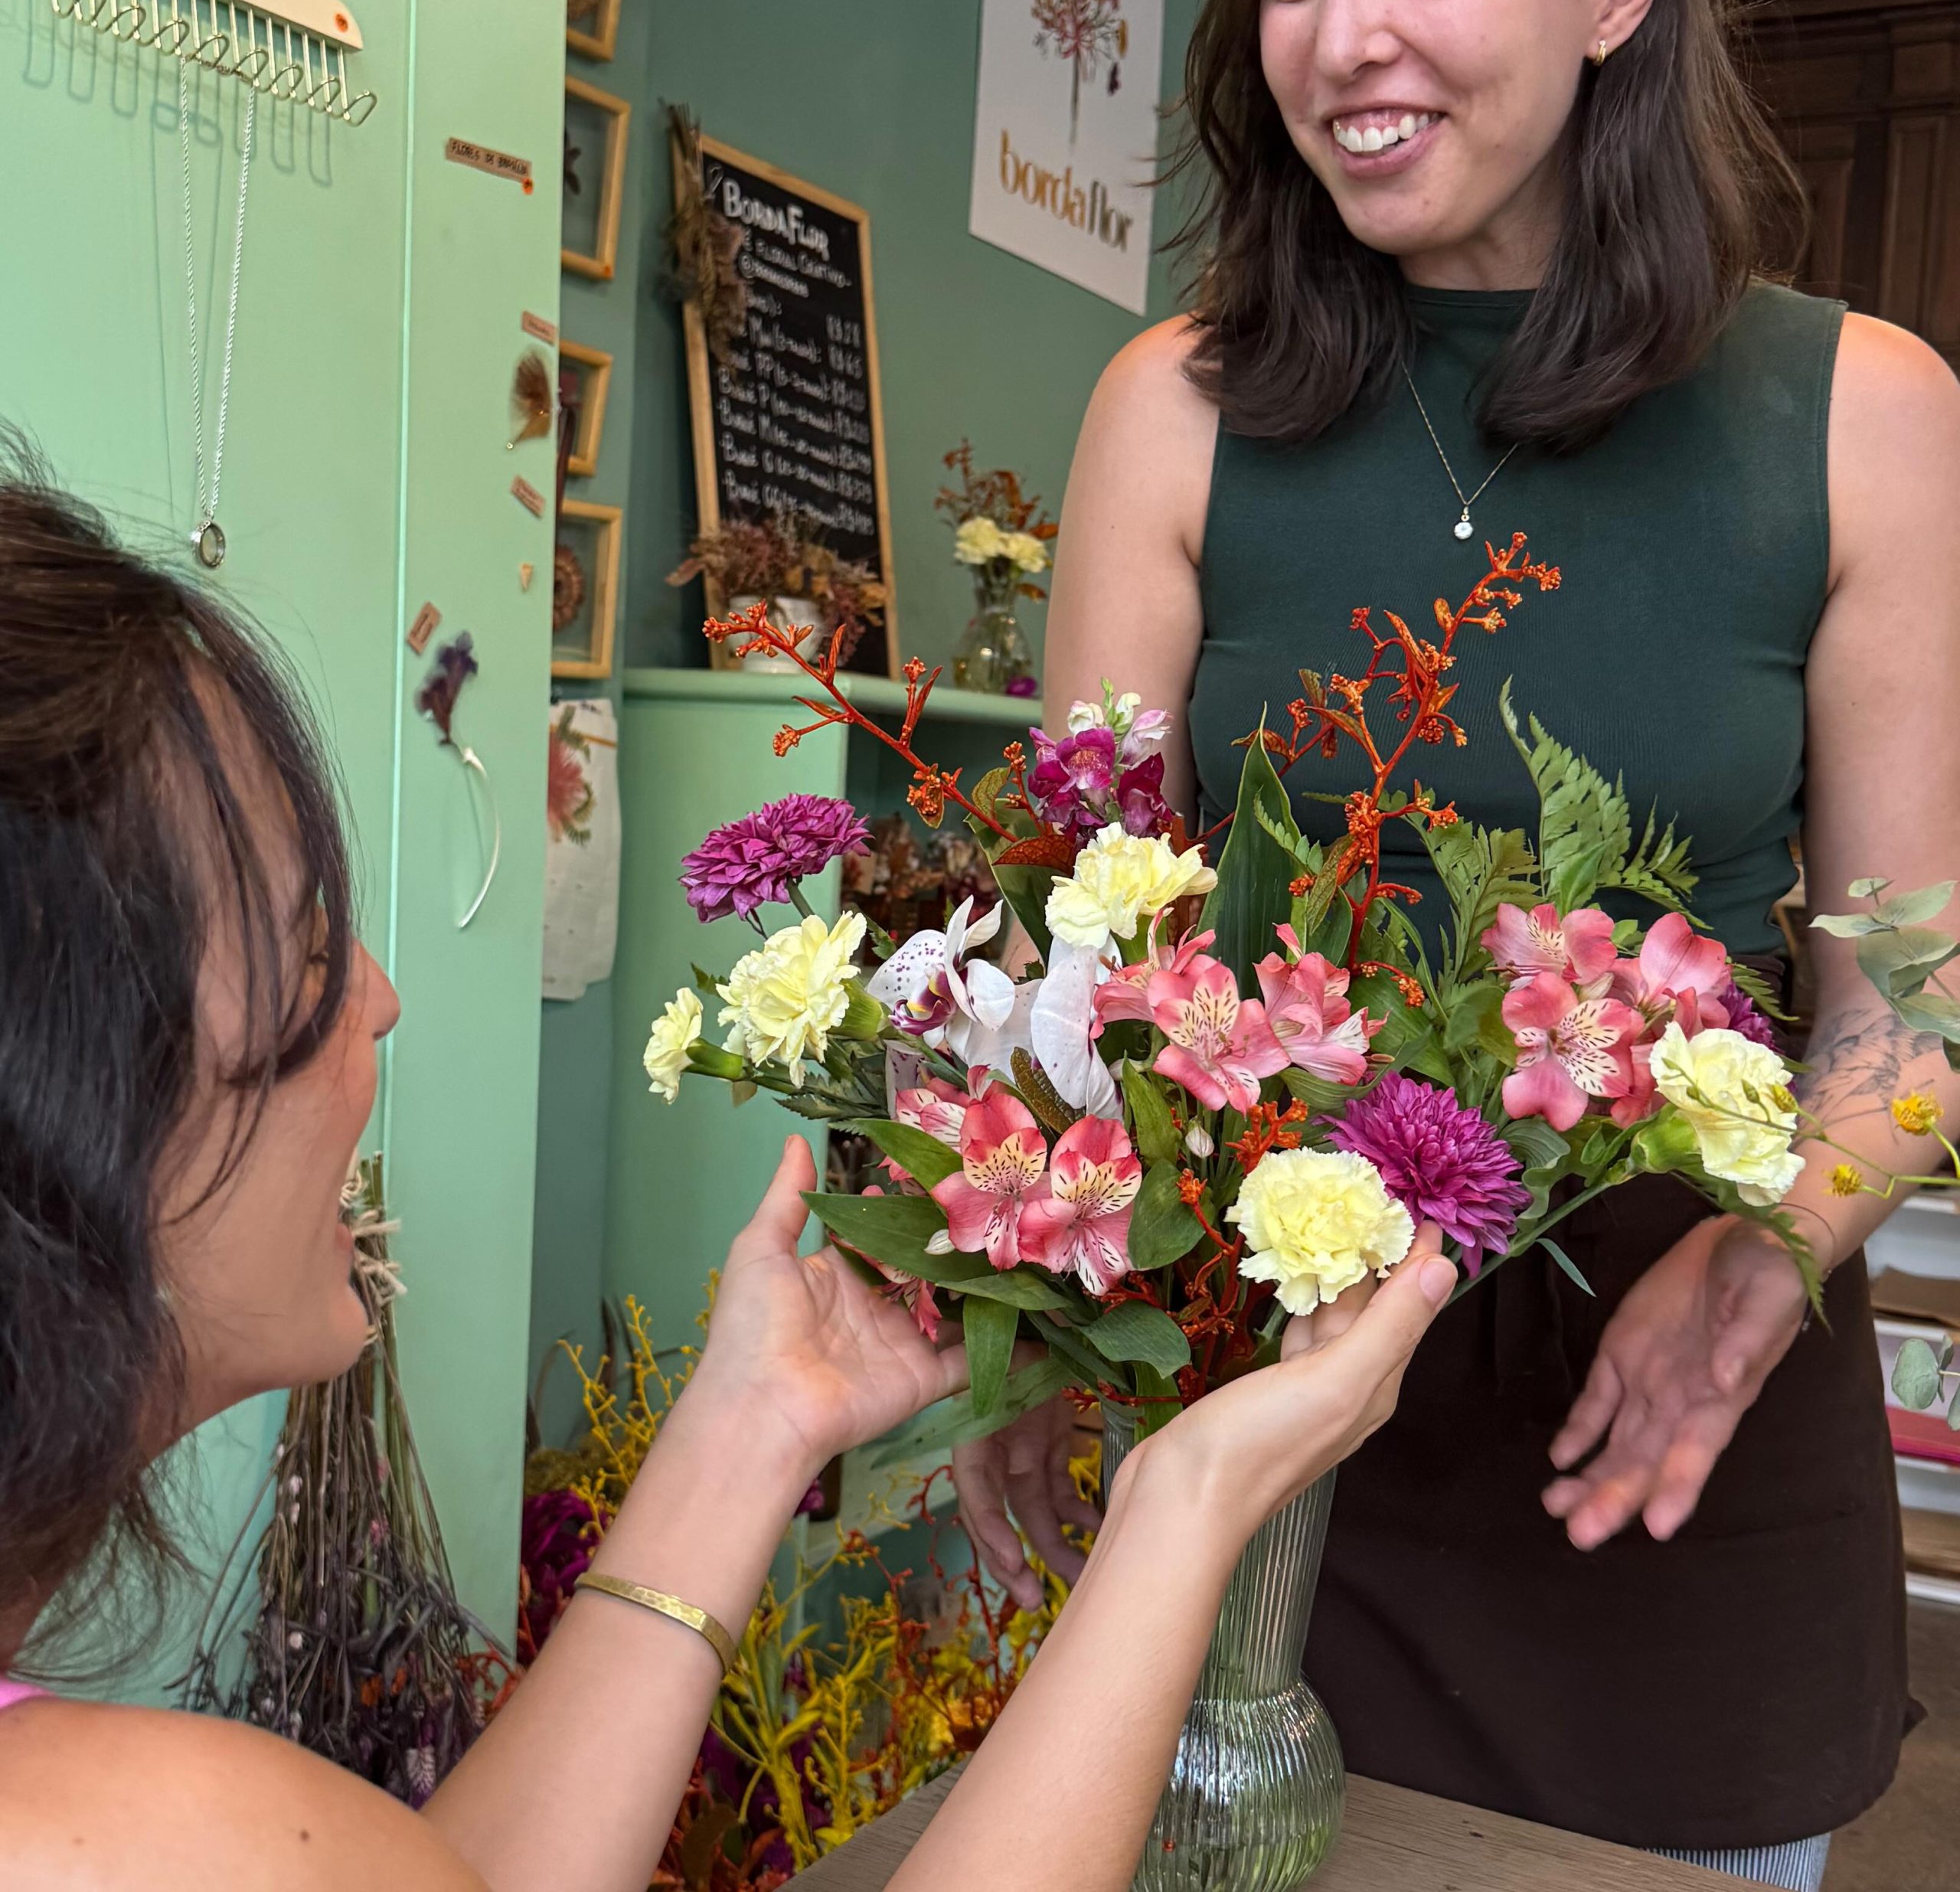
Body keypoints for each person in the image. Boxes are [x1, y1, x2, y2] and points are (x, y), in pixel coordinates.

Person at [0, 469, 1454, 1891]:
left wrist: (760, 1416)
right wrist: (1184, 1502)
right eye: (305, 949)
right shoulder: (130, 1836)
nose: (374, 1000)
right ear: (64, 1093)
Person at [952, 0, 1960, 1885]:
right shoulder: (1170, 407)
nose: (1345, 40)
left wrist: (1760, 1270)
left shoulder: (1862, 415)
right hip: (1264, 1470)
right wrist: (1020, 1324)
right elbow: (1063, 956)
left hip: (1671, 1458)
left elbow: (1908, 1012)